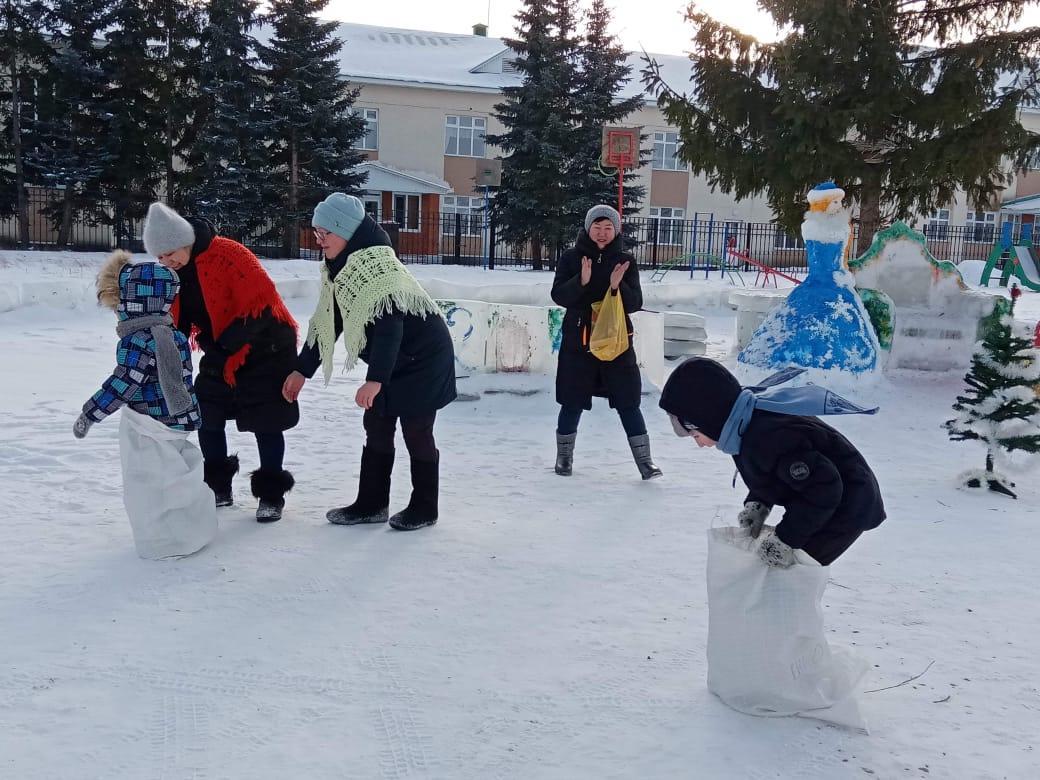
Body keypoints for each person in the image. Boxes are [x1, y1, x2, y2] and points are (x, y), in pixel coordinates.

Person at [282, 193, 456, 531]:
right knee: (376, 426)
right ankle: (371, 503)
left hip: (423, 359)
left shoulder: (377, 265)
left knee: (416, 432)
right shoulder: (340, 266)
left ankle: (425, 508)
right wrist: (302, 370)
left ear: (345, 231)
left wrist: (376, 379)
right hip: (392, 359)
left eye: (325, 234)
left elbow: (390, 325)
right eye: (316, 234)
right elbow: (328, 322)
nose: (319, 242)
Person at [143, 202, 299, 523]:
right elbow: (178, 319)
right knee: (207, 414)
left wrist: (225, 345)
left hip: (266, 345)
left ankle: (271, 494)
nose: (166, 261)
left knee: (265, 419)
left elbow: (264, 306)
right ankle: (218, 487)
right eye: (159, 256)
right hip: (221, 349)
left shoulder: (229, 253)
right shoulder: (174, 274)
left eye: (170, 252)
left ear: (184, 240)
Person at [659, 358, 885, 566]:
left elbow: (825, 488)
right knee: (783, 566)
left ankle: (786, 608)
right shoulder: (746, 422)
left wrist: (786, 539)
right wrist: (759, 503)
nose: (699, 444)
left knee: (797, 568)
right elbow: (772, 472)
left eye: (695, 435)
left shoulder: (766, 438)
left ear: (710, 420)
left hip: (850, 503)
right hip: (825, 495)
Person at [73, 252, 217, 559]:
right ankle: (190, 529)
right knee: (173, 475)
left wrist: (91, 411)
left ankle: (165, 541)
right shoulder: (174, 335)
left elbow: (125, 382)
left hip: (149, 424)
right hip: (178, 418)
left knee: (149, 483)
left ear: (130, 299)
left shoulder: (136, 340)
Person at [550, 204, 662, 480]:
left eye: (608, 228)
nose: (602, 233)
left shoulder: (625, 261)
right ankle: (564, 459)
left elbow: (635, 303)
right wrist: (582, 280)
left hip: (617, 341)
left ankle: (645, 462)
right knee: (572, 400)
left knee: (628, 400)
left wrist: (616, 285)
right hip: (580, 341)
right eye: (597, 227)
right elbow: (559, 296)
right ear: (588, 229)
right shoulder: (571, 257)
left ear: (616, 230)